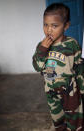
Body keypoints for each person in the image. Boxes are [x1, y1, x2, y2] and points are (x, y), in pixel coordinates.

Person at [32, 3, 84, 131]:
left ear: (66, 26)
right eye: (45, 25)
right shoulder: (41, 46)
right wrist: (42, 50)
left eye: (54, 26)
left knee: (75, 120)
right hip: (51, 92)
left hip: (70, 93)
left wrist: (82, 90)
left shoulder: (72, 44)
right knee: (58, 120)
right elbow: (37, 67)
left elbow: (79, 69)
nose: (49, 30)